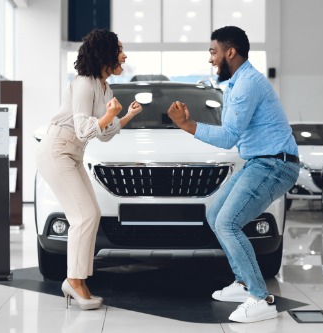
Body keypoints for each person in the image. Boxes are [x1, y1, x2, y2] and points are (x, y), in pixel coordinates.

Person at [167, 26, 300, 323]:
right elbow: (233, 134)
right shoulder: (238, 82)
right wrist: (190, 122)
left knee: (227, 223)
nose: (211, 59)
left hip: (275, 164)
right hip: (260, 162)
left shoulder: (246, 84)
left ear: (230, 52)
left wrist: (186, 125)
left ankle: (260, 298)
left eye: (214, 52)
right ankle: (243, 283)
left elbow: (228, 137)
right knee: (215, 216)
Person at [35, 29, 143, 310]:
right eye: (119, 49)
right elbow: (84, 129)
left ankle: (77, 280)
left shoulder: (104, 87)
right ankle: (74, 281)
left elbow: (104, 134)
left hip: (72, 154)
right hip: (57, 150)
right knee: (82, 216)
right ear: (105, 53)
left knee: (90, 214)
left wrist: (126, 115)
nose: (124, 55)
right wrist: (108, 115)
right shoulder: (84, 83)